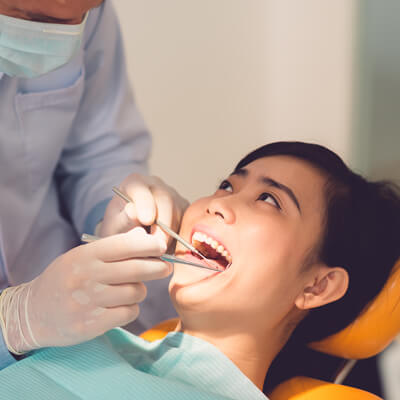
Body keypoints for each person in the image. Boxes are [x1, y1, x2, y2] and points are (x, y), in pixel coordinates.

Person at [0, 141, 398, 399]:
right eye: (227, 185)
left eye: (268, 199)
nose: (216, 204)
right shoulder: (66, 335)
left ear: (318, 286)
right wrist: (15, 321)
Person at [0, 0, 187, 369]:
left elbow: (97, 152)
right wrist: (14, 322)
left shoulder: (85, 11)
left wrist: (110, 213)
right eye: (30, 17)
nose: (218, 208)